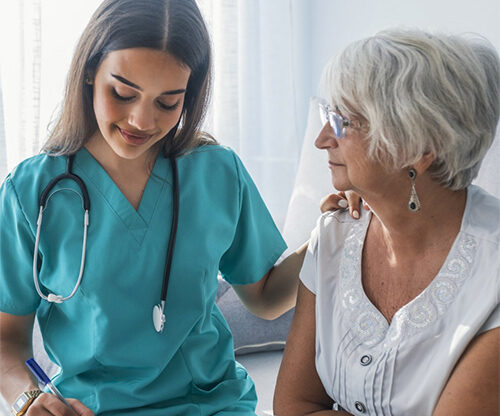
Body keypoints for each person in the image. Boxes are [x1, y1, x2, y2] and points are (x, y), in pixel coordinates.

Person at [0, 0, 310, 414]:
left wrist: (335, 231)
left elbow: (266, 298)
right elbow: (6, 340)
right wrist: (28, 399)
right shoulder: (31, 191)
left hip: (211, 405)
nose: (141, 121)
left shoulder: (216, 173)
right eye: (124, 93)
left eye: (167, 103)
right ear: (90, 71)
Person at [274, 29, 500, 416]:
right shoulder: (334, 234)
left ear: (420, 147)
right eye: (328, 116)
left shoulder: (492, 273)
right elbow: (294, 406)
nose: (323, 139)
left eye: (344, 121)